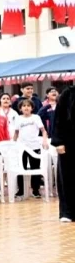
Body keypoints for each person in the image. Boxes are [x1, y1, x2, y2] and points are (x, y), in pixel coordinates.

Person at [12, 99, 49, 199]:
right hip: (21, 148)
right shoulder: (18, 118)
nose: (26, 107)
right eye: (24, 106)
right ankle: (21, 191)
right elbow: (16, 133)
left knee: (35, 169)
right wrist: (13, 145)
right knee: (20, 169)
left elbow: (43, 131)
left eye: (28, 106)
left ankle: (35, 190)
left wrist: (44, 141)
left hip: (35, 146)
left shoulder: (36, 117)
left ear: (32, 108)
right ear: (20, 108)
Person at [50, 86, 75, 222]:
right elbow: (58, 118)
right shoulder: (68, 93)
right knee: (67, 177)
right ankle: (67, 212)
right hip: (69, 142)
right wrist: (58, 142)